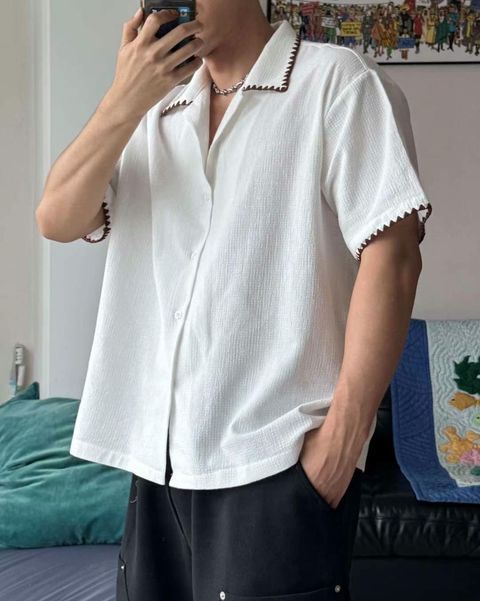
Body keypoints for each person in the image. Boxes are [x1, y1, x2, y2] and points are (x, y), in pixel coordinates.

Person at [36, 1, 432, 600]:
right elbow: (58, 218)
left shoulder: (336, 82)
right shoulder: (152, 108)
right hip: (157, 464)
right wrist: (124, 97)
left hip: (277, 460)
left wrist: (341, 446)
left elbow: (394, 258)